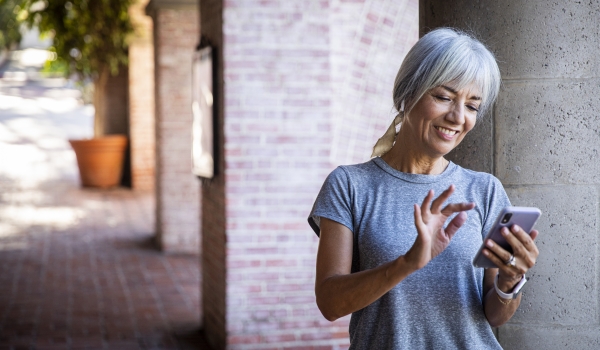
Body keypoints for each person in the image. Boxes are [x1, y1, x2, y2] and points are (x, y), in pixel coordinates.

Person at [307, 28, 540, 349]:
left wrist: (509, 283)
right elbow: (330, 303)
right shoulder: (349, 185)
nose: (458, 117)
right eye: (444, 97)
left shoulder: (485, 190)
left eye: (472, 105)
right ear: (408, 94)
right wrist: (407, 263)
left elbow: (494, 315)